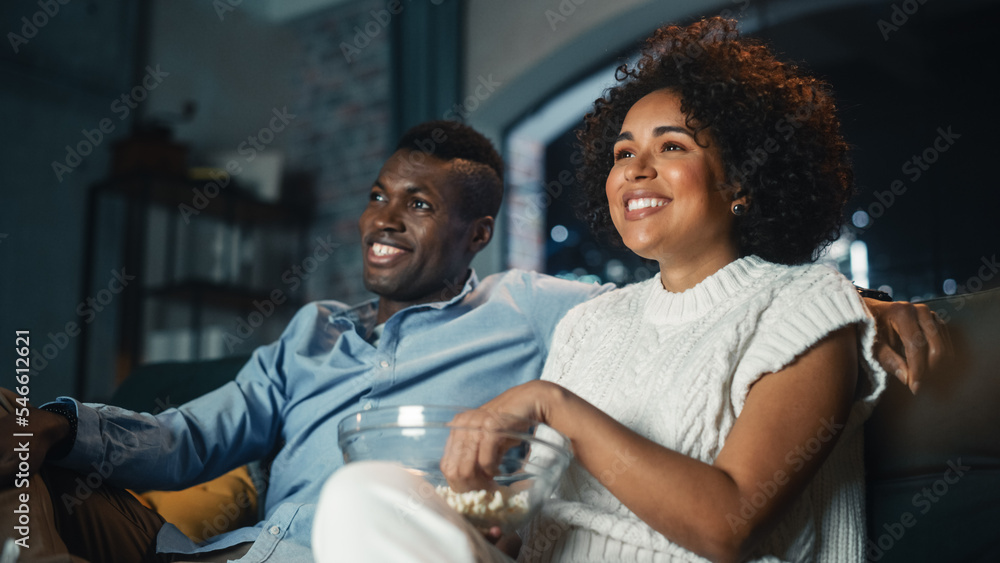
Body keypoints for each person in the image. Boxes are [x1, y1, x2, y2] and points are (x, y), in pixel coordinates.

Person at [1, 114, 939, 563]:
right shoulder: (309, 335)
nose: (384, 218)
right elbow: (188, 439)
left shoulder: (529, 305)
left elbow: (687, 299)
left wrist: (857, 298)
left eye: (419, 204)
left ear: (475, 232)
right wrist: (55, 427)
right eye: (378, 196)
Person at [312, 18, 932, 562]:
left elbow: (729, 526)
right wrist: (490, 522)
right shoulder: (592, 323)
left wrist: (554, 405)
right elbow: (543, 521)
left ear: (741, 178)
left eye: (671, 146)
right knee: (365, 494)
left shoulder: (806, 309)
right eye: (623, 151)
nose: (636, 168)